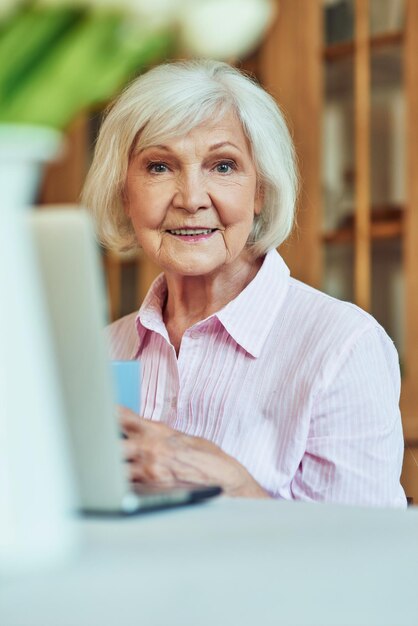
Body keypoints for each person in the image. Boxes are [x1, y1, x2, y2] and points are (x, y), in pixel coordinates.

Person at [82, 59, 406, 507]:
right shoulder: (99, 352)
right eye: (159, 167)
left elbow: (364, 561)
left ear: (260, 191)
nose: (192, 199)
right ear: (124, 193)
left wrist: (236, 487)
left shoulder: (343, 347)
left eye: (223, 166)